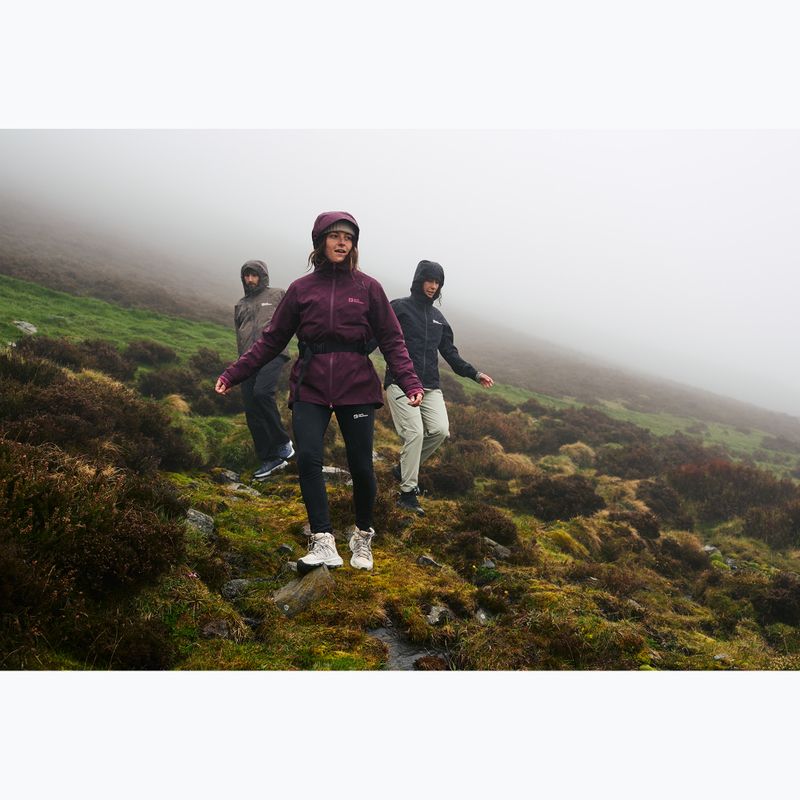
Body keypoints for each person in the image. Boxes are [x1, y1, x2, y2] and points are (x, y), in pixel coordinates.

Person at [215, 212, 423, 573]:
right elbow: (271, 340)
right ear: (319, 242)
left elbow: (392, 340)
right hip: (310, 384)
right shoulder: (300, 289)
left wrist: (410, 382)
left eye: (348, 237)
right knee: (308, 458)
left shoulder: (369, 288)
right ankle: (323, 541)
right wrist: (235, 373)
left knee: (360, 465)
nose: (342, 242)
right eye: (334, 236)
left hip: (356, 385)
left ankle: (362, 535)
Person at [384, 259, 494, 516]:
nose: (433, 286)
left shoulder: (438, 318)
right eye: (429, 280)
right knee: (415, 433)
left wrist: (475, 374)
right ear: (418, 280)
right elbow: (376, 337)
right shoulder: (398, 308)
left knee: (440, 431)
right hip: (400, 383)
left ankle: (403, 469)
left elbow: (450, 354)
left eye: (437, 282)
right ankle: (407, 493)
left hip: (430, 385)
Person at [234, 259, 294, 479]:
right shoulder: (240, 304)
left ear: (262, 276)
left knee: (262, 393)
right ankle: (269, 459)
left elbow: (295, 318)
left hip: (273, 354)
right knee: (251, 410)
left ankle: (282, 442)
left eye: (253, 275)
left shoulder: (278, 295)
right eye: (246, 276)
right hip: (248, 361)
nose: (249, 279)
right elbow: (239, 336)